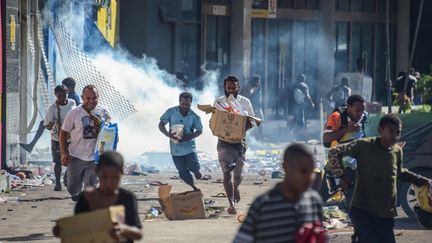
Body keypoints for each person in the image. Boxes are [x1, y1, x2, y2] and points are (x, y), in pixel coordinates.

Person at [327, 113, 430, 243]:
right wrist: (341, 176)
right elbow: (334, 152)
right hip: (363, 211)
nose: (395, 136)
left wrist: (421, 180)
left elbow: (399, 172)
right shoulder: (364, 145)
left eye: (397, 132)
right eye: (391, 132)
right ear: (380, 130)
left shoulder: (397, 151)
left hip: (386, 214)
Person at [233, 143, 326, 243]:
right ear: (285, 167)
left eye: (311, 171)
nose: (309, 178)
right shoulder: (264, 204)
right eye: (302, 171)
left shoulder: (314, 201)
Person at [53, 151, 142, 242]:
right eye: (104, 177)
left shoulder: (127, 198)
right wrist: (63, 230)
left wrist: (124, 229)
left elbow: (138, 233)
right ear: (97, 172)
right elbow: (79, 228)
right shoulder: (87, 198)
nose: (109, 183)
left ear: (121, 174)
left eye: (115, 178)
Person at [321, 94, 367, 242]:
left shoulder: (365, 117)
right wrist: (346, 129)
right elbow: (326, 140)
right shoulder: (336, 117)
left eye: (362, 110)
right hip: (336, 166)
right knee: (321, 196)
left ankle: (359, 237)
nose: (360, 114)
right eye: (357, 110)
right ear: (348, 108)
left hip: (355, 168)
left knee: (355, 204)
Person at [60, 85, 111, 201]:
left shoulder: (104, 113)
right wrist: (63, 153)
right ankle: (71, 177)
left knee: (91, 184)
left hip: (95, 157)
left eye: (94, 98)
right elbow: (63, 133)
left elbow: (110, 133)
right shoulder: (74, 113)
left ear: (98, 97)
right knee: (72, 188)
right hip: (76, 156)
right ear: (82, 97)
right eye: (88, 98)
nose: (91, 101)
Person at [214, 76, 255, 214]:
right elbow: (215, 122)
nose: (231, 91)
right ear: (224, 88)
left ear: (238, 88)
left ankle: (236, 187)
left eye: (234, 88)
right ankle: (231, 204)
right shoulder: (219, 102)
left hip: (240, 143)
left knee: (237, 175)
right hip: (223, 142)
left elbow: (252, 122)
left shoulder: (245, 102)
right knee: (226, 173)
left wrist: (241, 127)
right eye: (228, 88)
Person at [159, 92, 203, 191]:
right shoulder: (171, 112)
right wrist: (168, 134)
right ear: (179, 102)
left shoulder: (194, 116)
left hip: (189, 147)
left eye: (187, 104)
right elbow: (161, 124)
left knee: (193, 167)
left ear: (191, 103)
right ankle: (194, 187)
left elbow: (199, 130)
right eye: (182, 104)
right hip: (176, 149)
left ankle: (196, 171)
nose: (184, 106)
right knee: (182, 172)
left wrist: (189, 137)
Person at [44, 85, 76, 191]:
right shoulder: (52, 108)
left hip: (71, 138)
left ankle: (67, 177)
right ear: (56, 95)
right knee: (58, 161)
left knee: (72, 160)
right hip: (57, 138)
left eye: (65, 95)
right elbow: (47, 126)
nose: (63, 98)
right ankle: (58, 183)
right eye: (60, 96)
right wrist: (52, 123)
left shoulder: (72, 103)